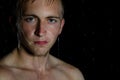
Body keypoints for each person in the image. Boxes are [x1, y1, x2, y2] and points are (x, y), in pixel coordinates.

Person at [0, 0, 85, 80]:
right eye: (30, 19)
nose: (40, 32)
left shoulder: (72, 76)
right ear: (15, 24)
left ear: (61, 26)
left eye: (51, 20)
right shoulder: (3, 75)